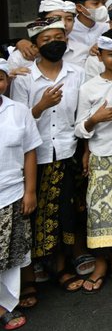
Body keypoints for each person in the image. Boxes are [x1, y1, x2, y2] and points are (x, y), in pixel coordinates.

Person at [10, 17, 86, 294]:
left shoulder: (77, 73)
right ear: (35, 45)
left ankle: (62, 266)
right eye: (47, 39)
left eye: (59, 38)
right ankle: (31, 274)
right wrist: (41, 106)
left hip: (68, 152)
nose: (54, 43)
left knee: (66, 213)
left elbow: (82, 115)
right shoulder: (24, 77)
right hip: (35, 157)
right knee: (33, 216)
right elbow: (17, 122)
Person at [73, 30, 112, 293]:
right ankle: (100, 263)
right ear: (99, 55)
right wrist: (94, 119)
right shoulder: (89, 88)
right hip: (102, 155)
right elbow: (79, 128)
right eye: (111, 54)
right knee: (100, 212)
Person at [0, 58, 40, 330]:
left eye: (0, 78)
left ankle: (6, 304)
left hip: (12, 193)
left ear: (7, 81)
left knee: (12, 255)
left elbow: (29, 152)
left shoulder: (18, 110)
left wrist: (30, 191)